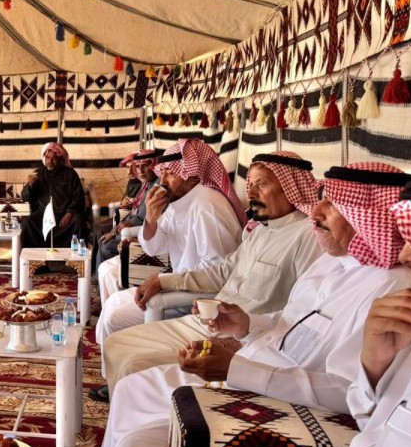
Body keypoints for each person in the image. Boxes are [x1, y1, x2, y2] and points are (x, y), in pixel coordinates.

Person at [93, 162, 411, 447]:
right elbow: (290, 320)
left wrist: (238, 369)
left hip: (278, 395)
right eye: (320, 199)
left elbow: (352, 392)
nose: (315, 212)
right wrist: (246, 324)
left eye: (333, 204)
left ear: (369, 217)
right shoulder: (331, 261)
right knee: (131, 388)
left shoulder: (393, 290)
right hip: (252, 360)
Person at [89, 152, 322, 403]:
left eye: (262, 184)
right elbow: (222, 271)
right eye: (250, 185)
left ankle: (145, 413)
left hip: (244, 336)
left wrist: (250, 338)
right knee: (116, 344)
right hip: (213, 320)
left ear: (291, 187)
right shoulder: (261, 230)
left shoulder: (307, 236)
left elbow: (304, 317)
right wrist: (163, 280)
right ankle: (122, 402)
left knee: (134, 361)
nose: (252, 193)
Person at [332, 180, 411, 447]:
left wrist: (239, 368)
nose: (405, 254)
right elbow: (373, 424)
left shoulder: (397, 287)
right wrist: (374, 363)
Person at [98, 139, 245, 324]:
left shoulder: (207, 206)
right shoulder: (180, 202)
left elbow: (217, 272)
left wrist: (165, 282)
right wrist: (150, 219)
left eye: (171, 173)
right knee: (112, 303)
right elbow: (154, 248)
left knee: (113, 319)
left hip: (196, 300)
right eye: (163, 173)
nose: (163, 182)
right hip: (178, 285)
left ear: (193, 176)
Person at [95, 149, 161, 296]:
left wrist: (116, 231)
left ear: (155, 165)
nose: (140, 170)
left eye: (145, 165)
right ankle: (100, 283)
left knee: (106, 246)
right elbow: (134, 213)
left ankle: (104, 291)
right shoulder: (146, 184)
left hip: (143, 234)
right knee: (103, 239)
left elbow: (142, 219)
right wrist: (114, 231)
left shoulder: (157, 186)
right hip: (134, 228)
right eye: (138, 166)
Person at [20, 142, 86, 248]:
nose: (50, 161)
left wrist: (69, 213)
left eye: (54, 158)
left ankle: (75, 255)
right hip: (43, 215)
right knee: (27, 223)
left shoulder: (70, 174)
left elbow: (79, 197)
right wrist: (30, 186)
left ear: (60, 159)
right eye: (48, 157)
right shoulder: (38, 174)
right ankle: (35, 256)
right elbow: (25, 197)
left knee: (79, 221)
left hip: (64, 215)